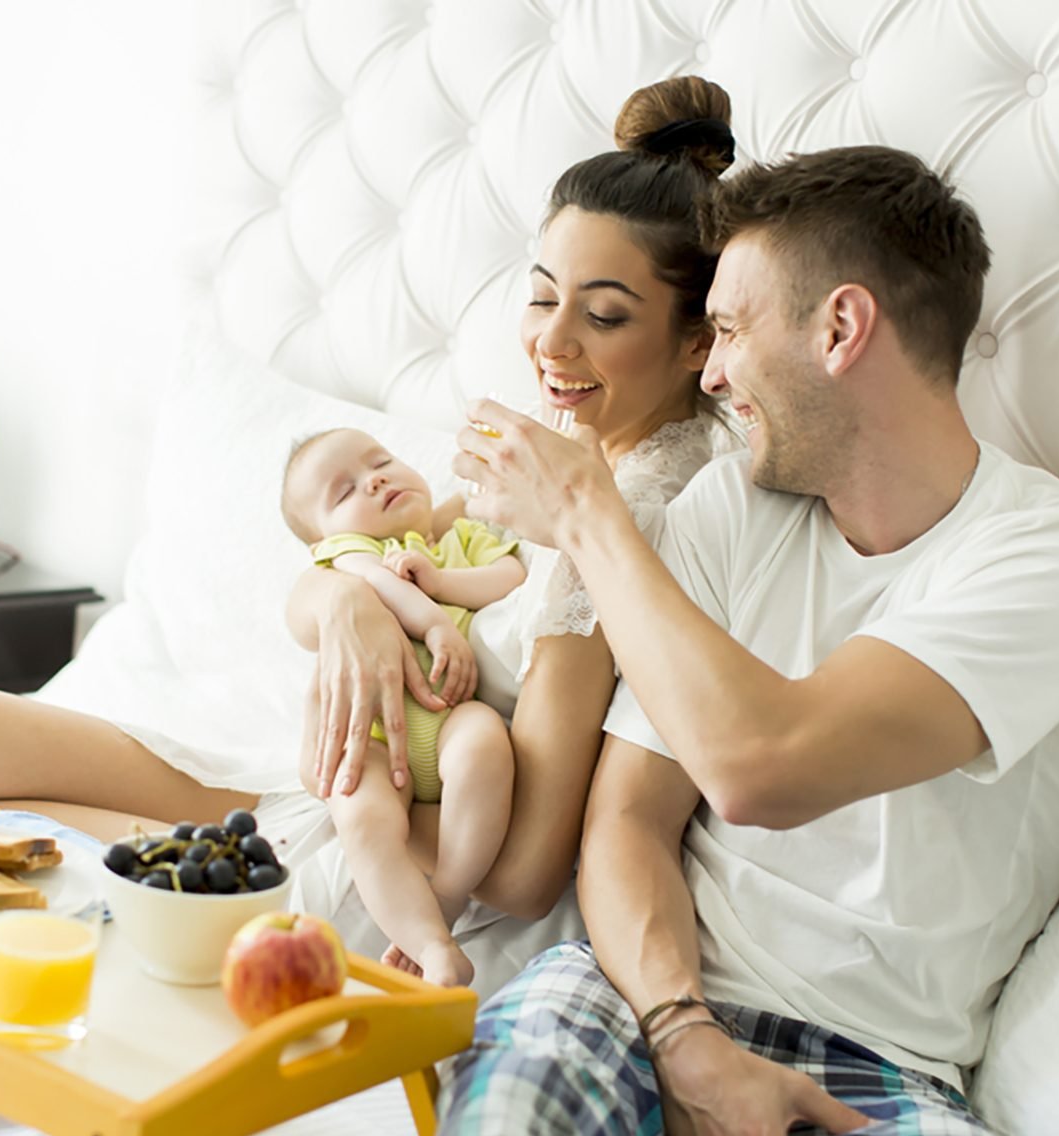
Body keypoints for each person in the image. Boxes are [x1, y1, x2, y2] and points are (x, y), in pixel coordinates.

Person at [414, 146, 1059, 1136]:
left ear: (841, 329)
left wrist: (590, 515)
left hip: (878, 1076)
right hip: (631, 1004)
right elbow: (630, 822)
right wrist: (684, 1037)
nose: (713, 372)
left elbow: (763, 766)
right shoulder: (728, 512)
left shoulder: (1049, 561)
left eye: (728, 329)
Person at [288, 74, 733, 923]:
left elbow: (525, 871)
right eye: (540, 297)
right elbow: (391, 549)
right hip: (390, 775)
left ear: (697, 341)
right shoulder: (560, 438)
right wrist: (348, 600)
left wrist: (365, 806)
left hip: (431, 857)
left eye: (603, 317)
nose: (550, 341)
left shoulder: (627, 519)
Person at [281, 426, 524, 984]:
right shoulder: (349, 557)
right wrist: (434, 621)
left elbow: (510, 578)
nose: (375, 480)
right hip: (373, 739)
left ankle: (448, 897)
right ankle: (433, 948)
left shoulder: (462, 539)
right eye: (344, 493)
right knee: (359, 813)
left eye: (381, 461)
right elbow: (377, 584)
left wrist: (441, 580)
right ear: (321, 542)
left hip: (450, 715)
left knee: (485, 744)